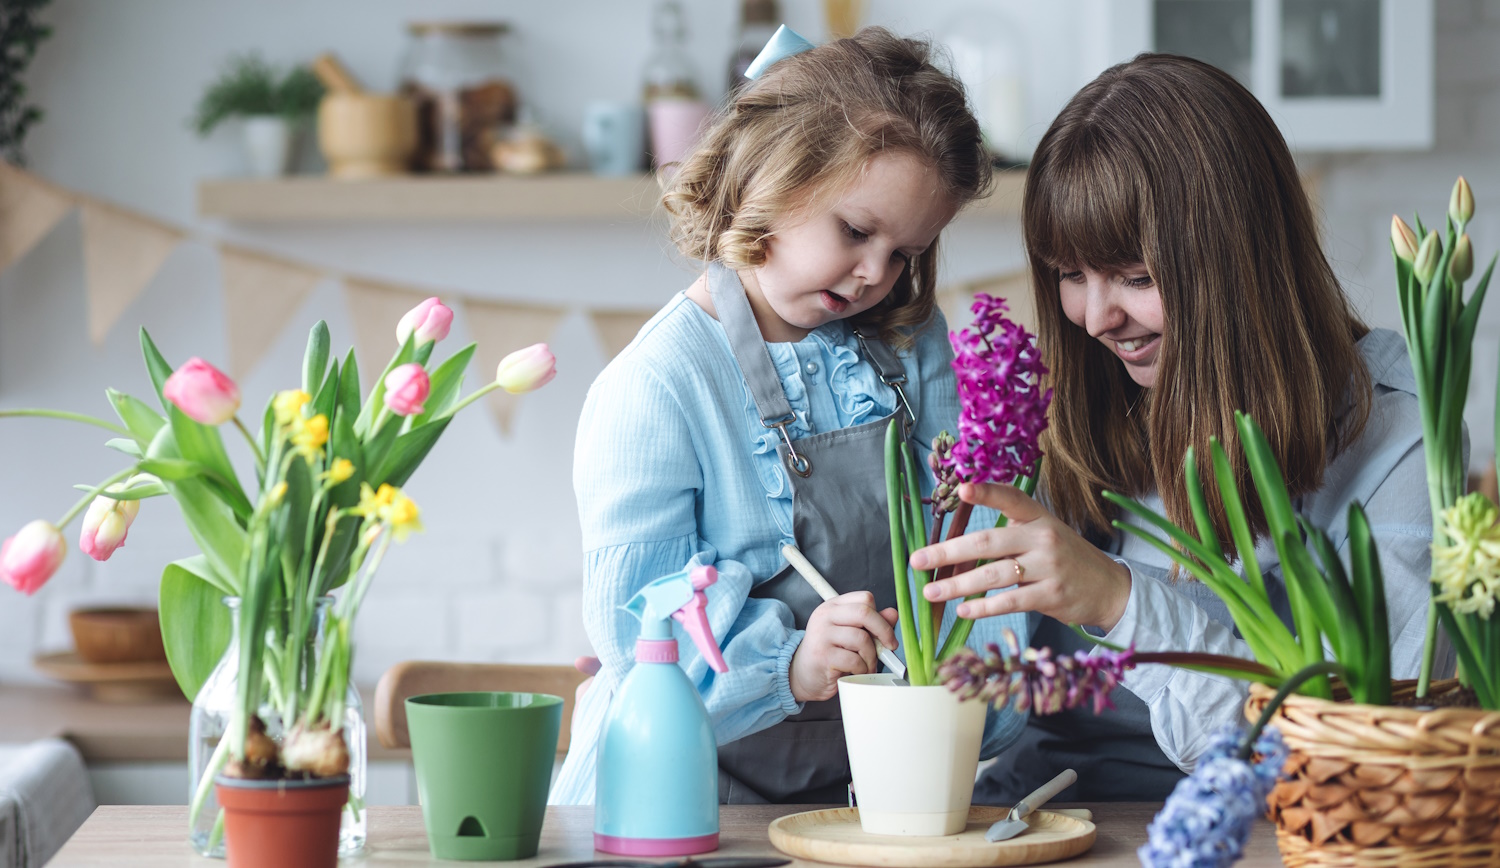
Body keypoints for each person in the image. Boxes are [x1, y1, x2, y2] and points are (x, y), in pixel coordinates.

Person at [914, 53, 1455, 802]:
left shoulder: (1392, 439)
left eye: (1136, 278)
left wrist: (1119, 600)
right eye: (1071, 274)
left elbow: (1354, 777)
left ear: (1236, 263)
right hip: (1034, 814)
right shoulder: (1081, 400)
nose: (1097, 319)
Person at [549, 27, 1029, 806]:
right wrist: (792, 666)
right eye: (856, 231)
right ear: (770, 180)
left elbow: (970, 553)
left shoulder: (910, 342)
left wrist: (979, 685)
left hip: (856, 794)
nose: (878, 272)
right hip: (678, 798)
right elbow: (647, 658)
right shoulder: (656, 388)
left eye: (907, 251)